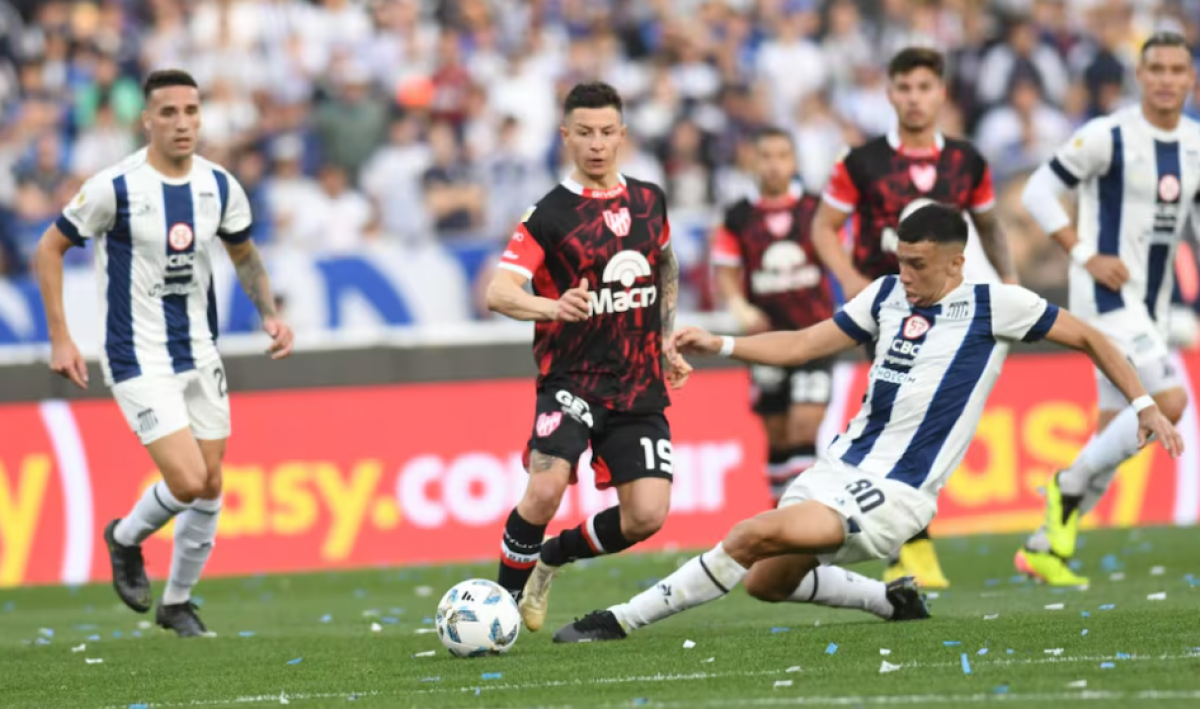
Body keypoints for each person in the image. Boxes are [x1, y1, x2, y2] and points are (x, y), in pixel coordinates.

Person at [552, 203, 1182, 644]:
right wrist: (719, 343)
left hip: (897, 494)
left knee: (750, 533)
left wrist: (1143, 403)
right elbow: (803, 344)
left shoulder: (996, 306)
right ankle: (890, 599)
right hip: (839, 466)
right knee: (767, 584)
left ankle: (619, 620)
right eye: (901, 261)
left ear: (956, 264)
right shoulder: (884, 295)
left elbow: (1091, 337)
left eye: (918, 265)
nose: (905, 275)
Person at [35, 69, 294, 637]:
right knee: (188, 481)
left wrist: (269, 313)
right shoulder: (115, 187)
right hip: (137, 357)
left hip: (200, 350)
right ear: (145, 120)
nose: (183, 123)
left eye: (192, 111)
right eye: (170, 112)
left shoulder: (220, 185)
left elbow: (244, 254)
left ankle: (177, 603)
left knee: (212, 480)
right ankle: (125, 537)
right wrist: (61, 337)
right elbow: (49, 250)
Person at [811, 46, 1020, 589]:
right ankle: (910, 546)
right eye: (904, 88)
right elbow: (821, 228)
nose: (914, 98)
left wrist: (1011, 281)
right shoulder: (861, 161)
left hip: (947, 311)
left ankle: (902, 540)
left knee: (923, 422)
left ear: (941, 93)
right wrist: (853, 284)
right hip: (883, 309)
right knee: (896, 415)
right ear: (889, 93)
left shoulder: (967, 161)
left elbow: (991, 225)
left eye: (924, 87)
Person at [485, 81, 691, 632]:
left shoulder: (650, 199)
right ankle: (499, 613)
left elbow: (665, 265)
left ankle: (551, 558)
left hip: (638, 381)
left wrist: (665, 337)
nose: (596, 144)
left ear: (622, 135)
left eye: (606, 132)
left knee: (646, 515)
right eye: (584, 133)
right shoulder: (549, 214)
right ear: (565, 137)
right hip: (572, 380)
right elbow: (499, 292)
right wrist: (552, 306)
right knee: (546, 487)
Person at [1016, 32, 1199, 587]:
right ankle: (1065, 485)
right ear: (1138, 77)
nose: (1167, 78)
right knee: (1166, 400)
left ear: (1190, 79)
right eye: (1156, 68)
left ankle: (1044, 547)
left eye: (1177, 69)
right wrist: (1084, 251)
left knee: (1110, 434)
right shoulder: (1108, 135)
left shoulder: (1195, 144)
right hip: (1105, 298)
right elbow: (1037, 193)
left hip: (1152, 304)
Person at [711, 128, 834, 505]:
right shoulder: (738, 216)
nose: (774, 164)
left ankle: (802, 517)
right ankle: (779, 515)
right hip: (766, 342)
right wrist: (738, 305)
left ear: (794, 161)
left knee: (803, 427)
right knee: (778, 434)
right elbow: (725, 270)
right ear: (753, 161)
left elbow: (840, 258)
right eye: (766, 156)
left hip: (815, 336)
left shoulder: (816, 209)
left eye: (782, 155)